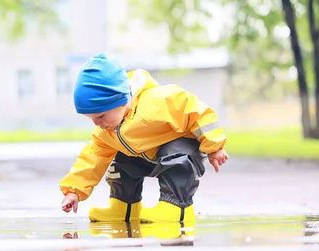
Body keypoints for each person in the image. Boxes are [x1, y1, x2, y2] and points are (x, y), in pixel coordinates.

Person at [59, 53, 229, 224]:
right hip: (146, 156)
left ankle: (177, 207)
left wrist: (214, 146)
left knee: (178, 156)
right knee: (121, 163)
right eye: (92, 119)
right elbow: (91, 159)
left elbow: (196, 111)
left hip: (179, 150)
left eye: (101, 116)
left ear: (121, 100)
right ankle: (124, 206)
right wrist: (74, 191)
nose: (97, 123)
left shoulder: (158, 101)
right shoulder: (106, 132)